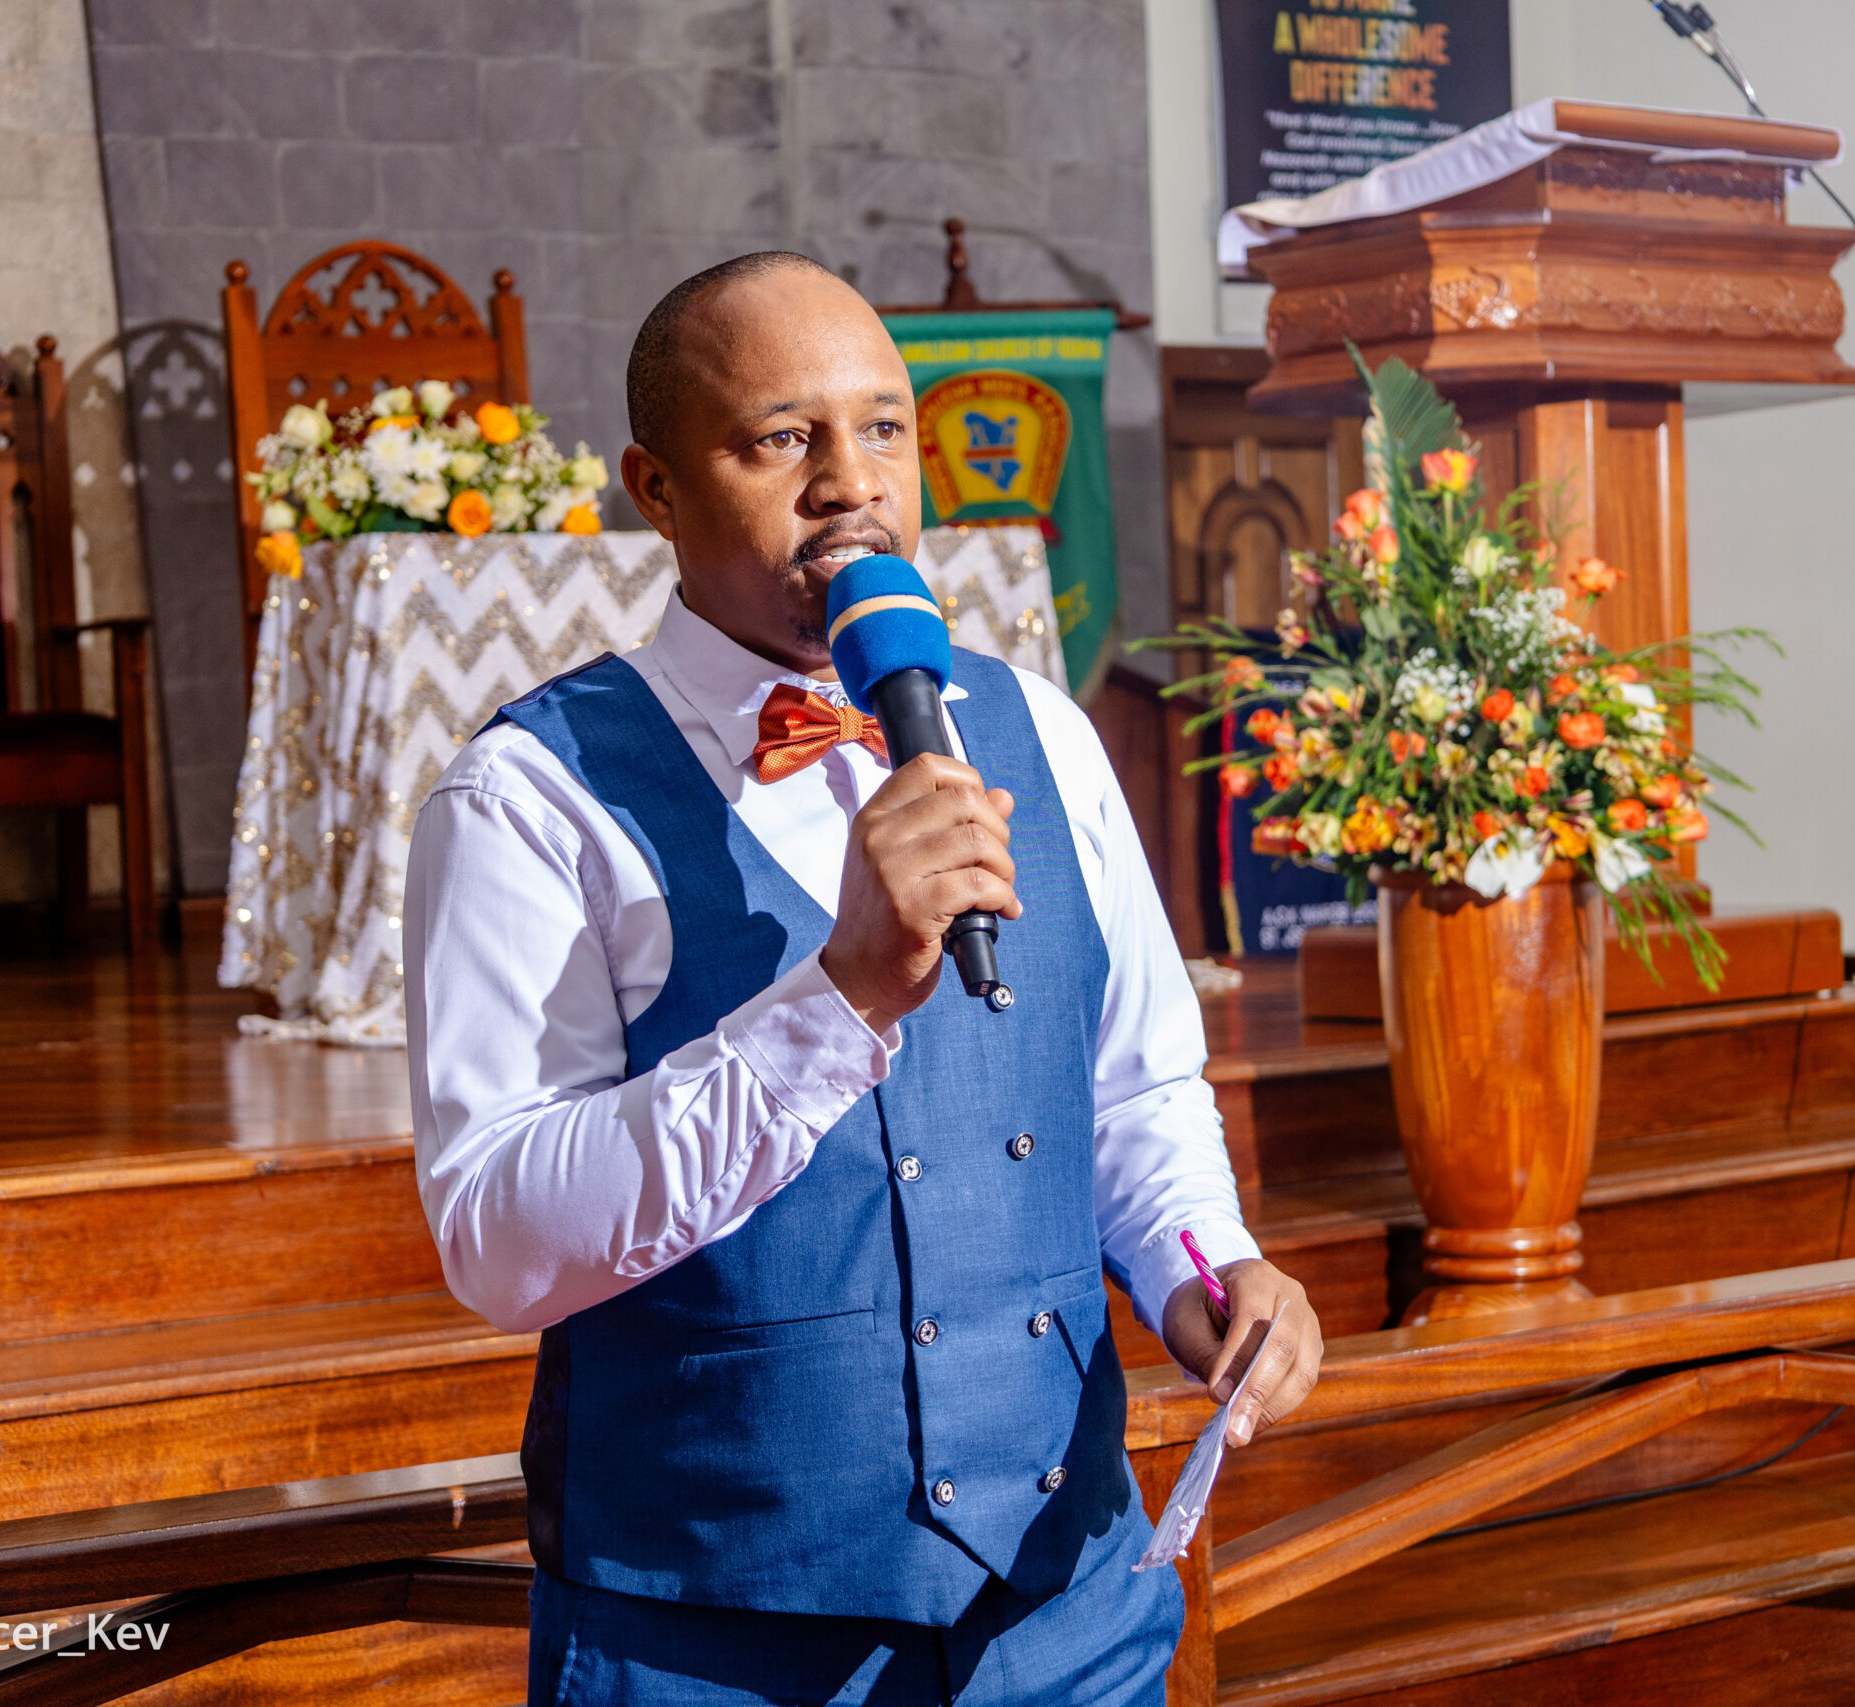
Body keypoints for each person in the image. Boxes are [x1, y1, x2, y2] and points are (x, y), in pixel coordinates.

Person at [404, 251, 1324, 1706]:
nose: (851, 482)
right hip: (713, 1639)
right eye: (784, 438)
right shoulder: (530, 796)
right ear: (655, 489)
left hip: (1068, 1614)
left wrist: (1204, 1267)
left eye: (885, 427)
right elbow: (498, 1240)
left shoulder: (1040, 730)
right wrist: (836, 1000)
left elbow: (1136, 1089)